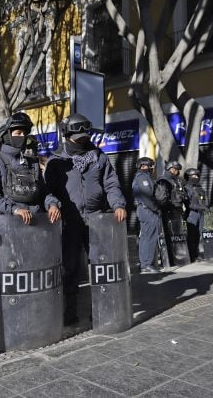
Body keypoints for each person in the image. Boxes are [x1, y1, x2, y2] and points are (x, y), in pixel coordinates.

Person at [45, 113, 127, 324]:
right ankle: (69, 311)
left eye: (85, 136)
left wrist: (118, 204)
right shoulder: (56, 161)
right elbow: (49, 190)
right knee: (69, 267)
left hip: (96, 219)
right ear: (67, 135)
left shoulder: (99, 156)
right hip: (69, 221)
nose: (83, 139)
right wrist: (52, 204)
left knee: (99, 265)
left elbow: (111, 184)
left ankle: (100, 307)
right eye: (77, 137)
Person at [0, 111, 60, 225]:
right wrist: (14, 210)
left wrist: (52, 205)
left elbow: (43, 191)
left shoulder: (32, 162)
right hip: (8, 226)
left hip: (37, 225)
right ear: (6, 135)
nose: (22, 136)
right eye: (18, 133)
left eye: (24, 133)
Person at [154, 160, 188, 264]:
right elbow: (162, 198)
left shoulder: (176, 180)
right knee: (169, 235)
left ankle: (177, 256)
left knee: (177, 234)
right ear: (169, 169)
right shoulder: (163, 180)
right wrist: (168, 206)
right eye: (174, 169)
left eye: (177, 170)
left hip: (177, 210)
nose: (176, 171)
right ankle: (169, 258)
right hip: (168, 211)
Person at [131, 157, 160, 274]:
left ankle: (144, 263)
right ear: (143, 166)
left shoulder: (143, 177)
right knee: (150, 237)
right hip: (147, 210)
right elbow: (147, 196)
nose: (152, 168)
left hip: (145, 209)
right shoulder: (142, 177)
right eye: (150, 166)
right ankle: (146, 265)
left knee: (145, 237)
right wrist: (156, 209)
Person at [183, 168, 208, 262]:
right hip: (192, 213)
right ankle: (191, 255)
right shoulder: (186, 188)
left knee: (199, 234)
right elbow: (188, 203)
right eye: (193, 176)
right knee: (192, 235)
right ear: (188, 177)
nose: (196, 178)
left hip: (201, 213)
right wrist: (199, 207)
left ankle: (197, 254)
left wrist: (205, 207)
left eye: (197, 176)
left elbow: (205, 200)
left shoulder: (200, 188)